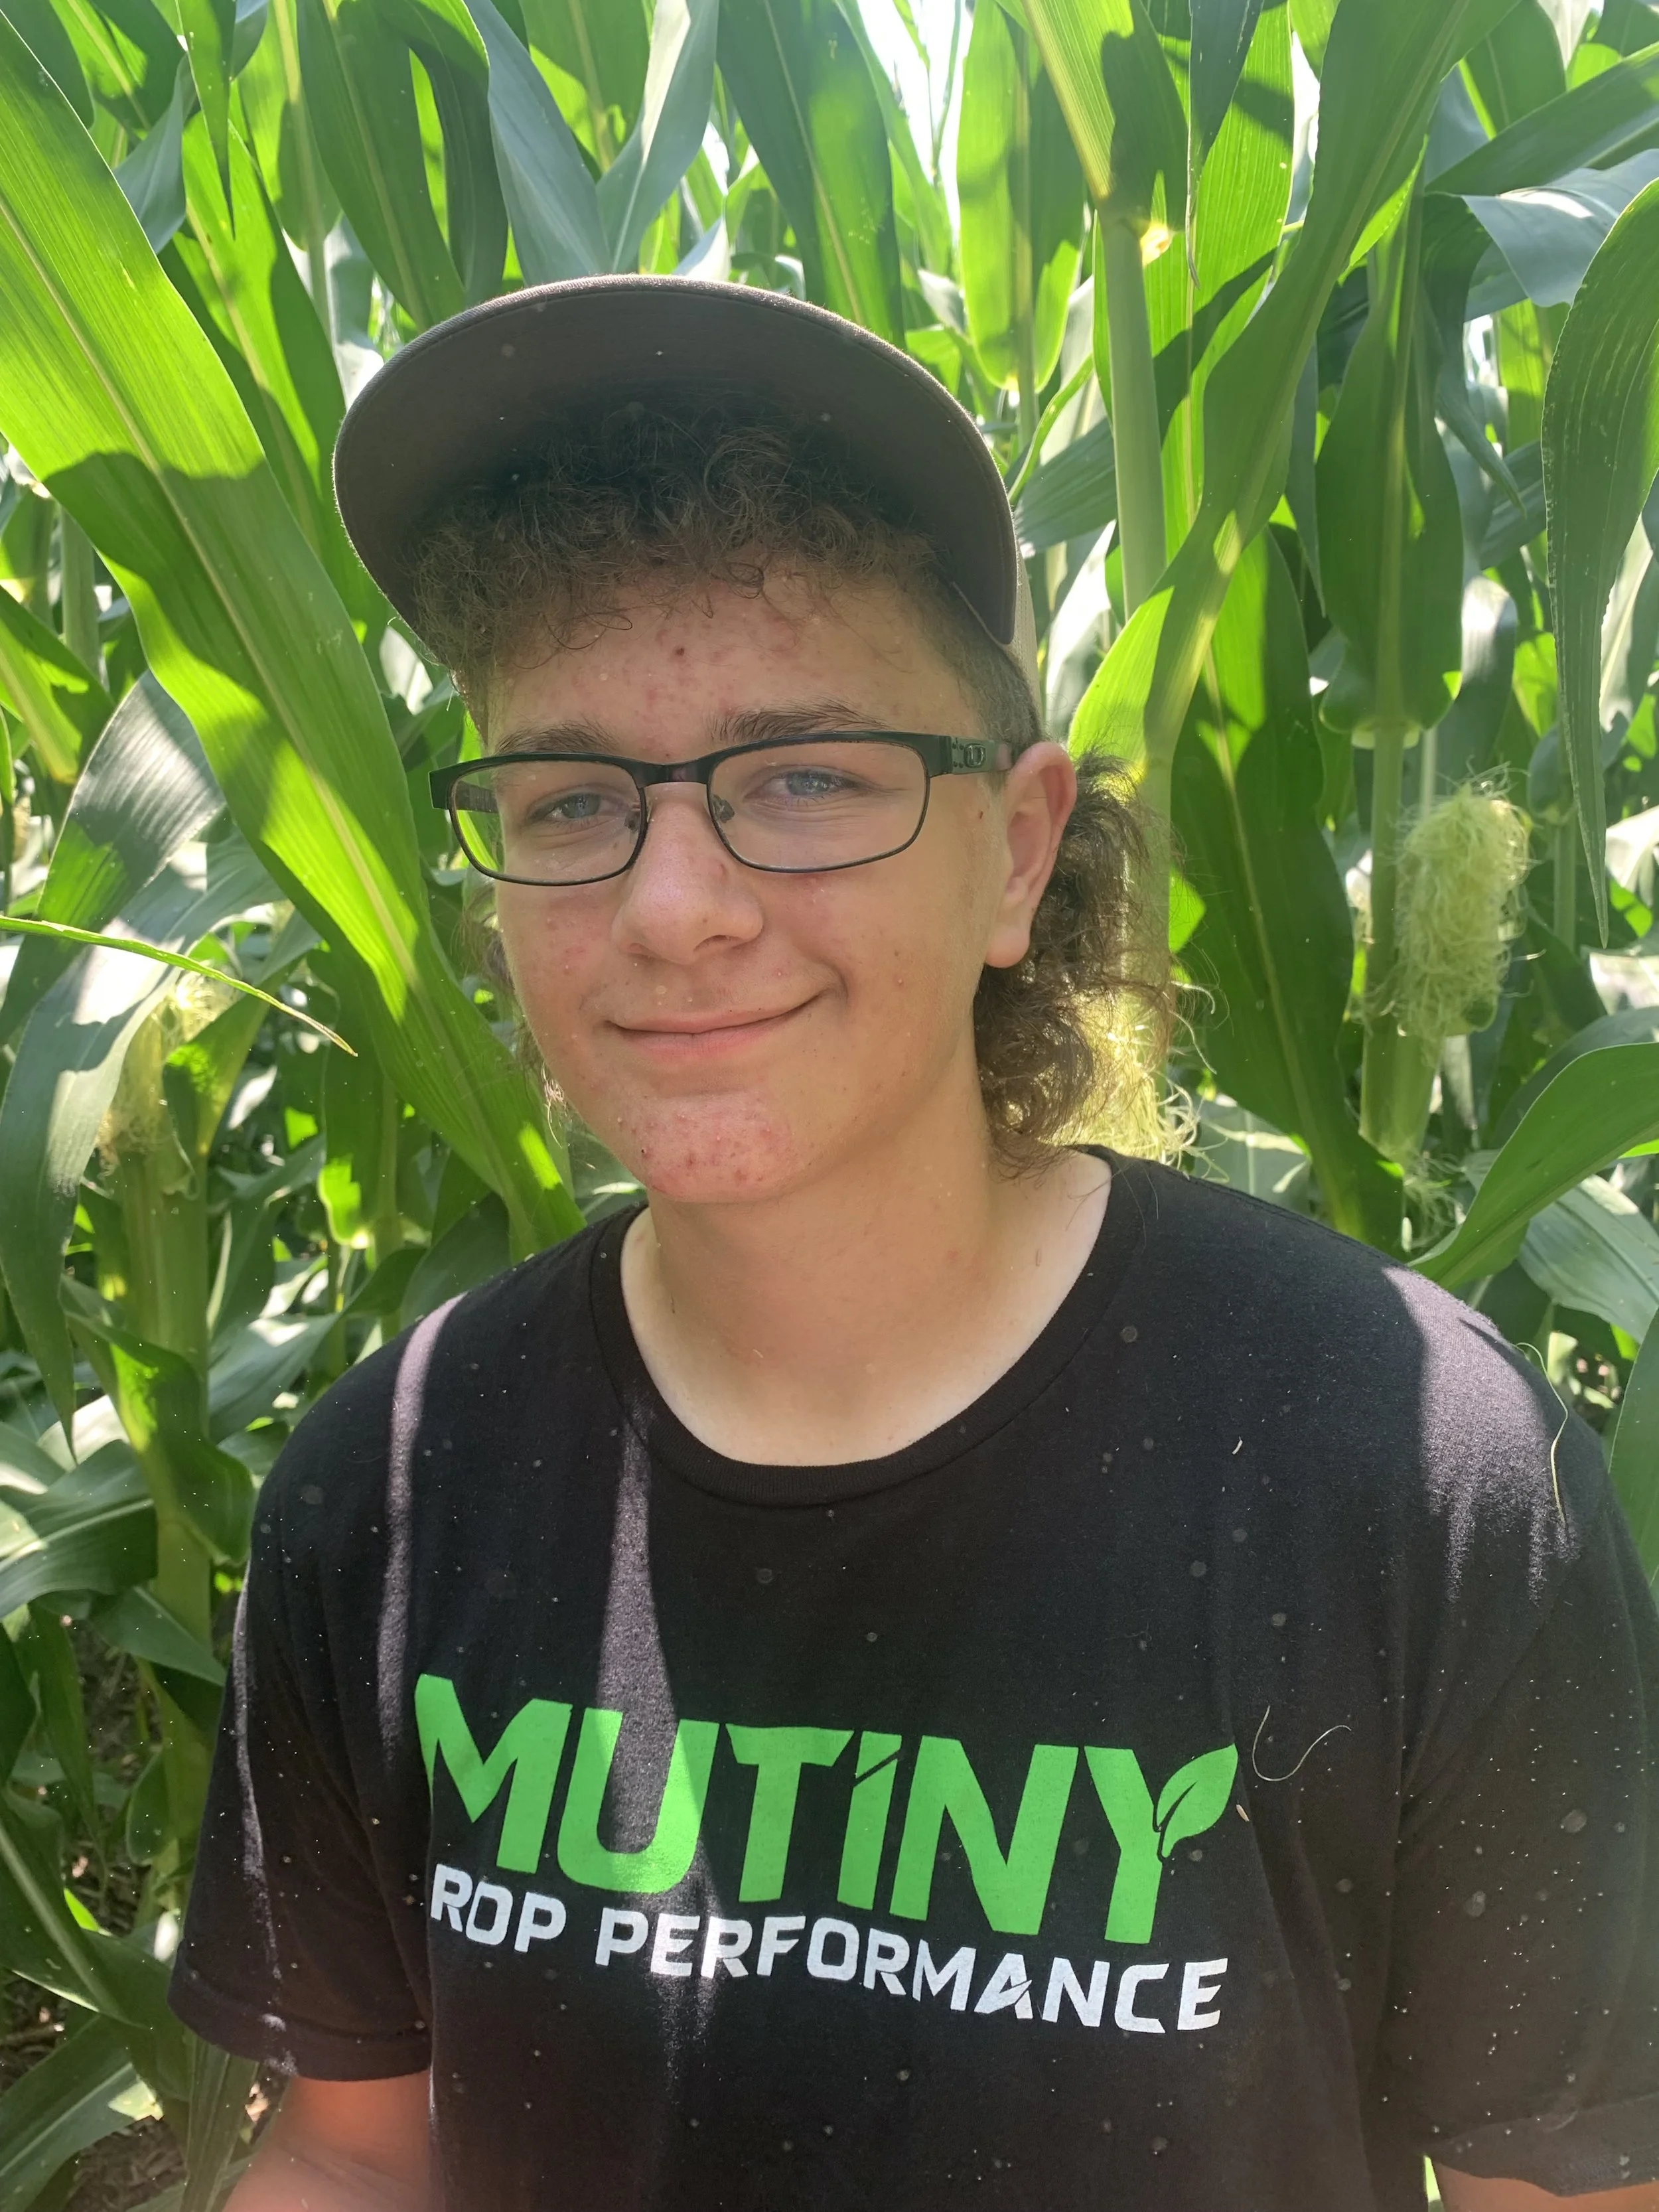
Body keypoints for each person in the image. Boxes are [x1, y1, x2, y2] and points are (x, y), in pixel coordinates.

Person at [171, 275, 1659, 2212]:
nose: (674, 904)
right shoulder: (389, 1484)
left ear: (1017, 851)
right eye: (566, 799)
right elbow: (356, 2154)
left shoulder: (1413, 1470)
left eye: (803, 779)